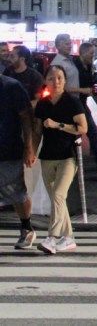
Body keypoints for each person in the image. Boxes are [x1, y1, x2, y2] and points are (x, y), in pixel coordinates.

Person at [33, 65, 86, 254]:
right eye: (52, 78)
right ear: (46, 80)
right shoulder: (43, 104)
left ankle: (52, 237)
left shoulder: (71, 102)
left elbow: (82, 128)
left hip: (68, 156)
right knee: (58, 200)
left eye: (60, 78)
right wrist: (31, 150)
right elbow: (37, 131)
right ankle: (69, 237)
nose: (56, 82)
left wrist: (58, 125)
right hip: (47, 156)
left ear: (65, 81)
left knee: (58, 195)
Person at [0, 74, 37, 249]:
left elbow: (26, 117)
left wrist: (29, 146)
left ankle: (26, 227)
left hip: (8, 147)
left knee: (16, 190)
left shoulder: (12, 86)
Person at [69, 42, 97, 169]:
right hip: (73, 103)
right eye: (91, 53)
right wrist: (83, 90)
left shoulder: (88, 66)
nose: (93, 56)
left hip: (82, 103)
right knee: (79, 131)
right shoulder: (74, 66)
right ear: (83, 52)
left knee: (91, 130)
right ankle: (74, 159)